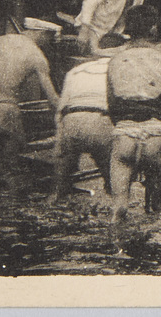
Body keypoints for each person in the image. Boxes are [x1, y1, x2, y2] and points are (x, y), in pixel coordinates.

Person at [105, 6, 161, 221]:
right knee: (160, 210)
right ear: (153, 28)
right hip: (155, 132)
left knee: (120, 205)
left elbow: (111, 104)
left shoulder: (115, 60)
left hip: (124, 134)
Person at [0, 31, 60, 182]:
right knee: (16, 144)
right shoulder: (37, 56)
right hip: (5, 105)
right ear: (43, 35)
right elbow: (52, 98)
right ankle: (10, 182)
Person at [49, 34, 127, 203]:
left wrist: (60, 140)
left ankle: (54, 198)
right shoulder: (121, 69)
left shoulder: (76, 70)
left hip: (71, 120)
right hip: (101, 119)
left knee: (60, 183)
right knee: (114, 178)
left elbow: (60, 109)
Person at [74, 0, 146, 55]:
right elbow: (90, 2)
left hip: (111, 33)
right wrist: (84, 30)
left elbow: (132, 15)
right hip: (92, 28)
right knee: (94, 53)